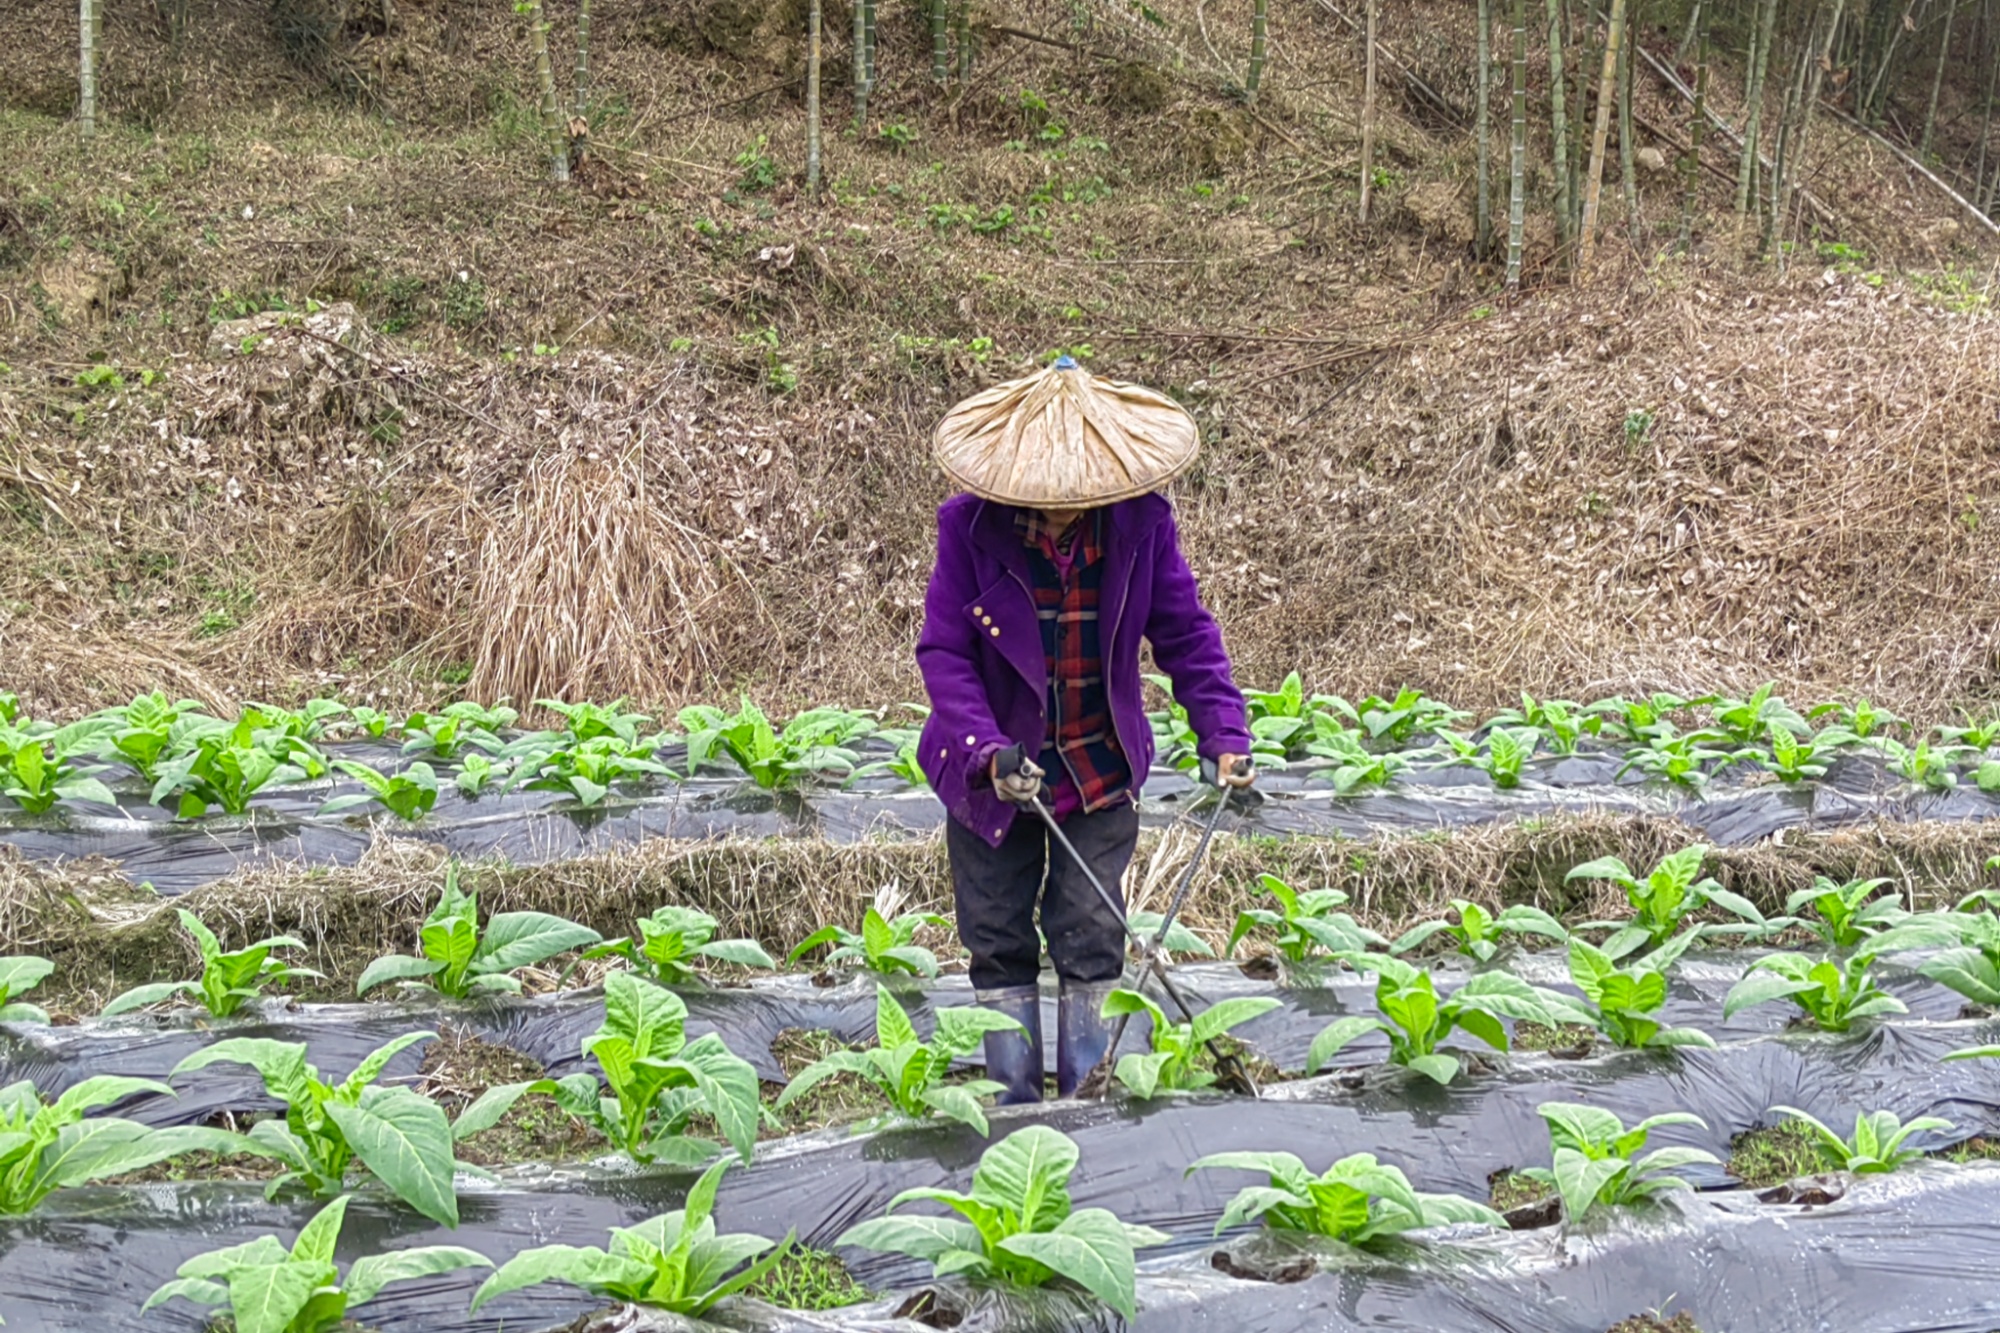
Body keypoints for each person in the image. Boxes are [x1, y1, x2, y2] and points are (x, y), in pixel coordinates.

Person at [915, 355, 1255, 1103]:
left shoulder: (1141, 526)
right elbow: (944, 651)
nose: (1066, 502)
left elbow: (1186, 634)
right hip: (993, 778)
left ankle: (1087, 1102)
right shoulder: (968, 530)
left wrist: (1223, 731)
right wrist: (984, 750)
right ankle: (1011, 1102)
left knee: (1091, 934)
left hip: (1096, 768)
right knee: (997, 936)